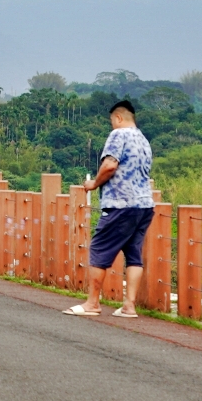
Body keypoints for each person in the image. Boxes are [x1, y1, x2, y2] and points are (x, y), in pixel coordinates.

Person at [65, 100, 155, 318]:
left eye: (112, 121)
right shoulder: (144, 140)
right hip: (144, 205)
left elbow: (110, 165)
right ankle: (129, 306)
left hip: (120, 204)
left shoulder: (118, 135)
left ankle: (92, 303)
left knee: (99, 250)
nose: (112, 125)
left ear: (118, 118)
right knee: (133, 254)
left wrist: (93, 184)